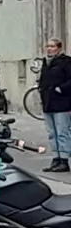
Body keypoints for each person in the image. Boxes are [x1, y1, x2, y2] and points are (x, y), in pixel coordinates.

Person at [39, 38, 71, 172]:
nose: (49, 49)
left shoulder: (66, 62)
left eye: (52, 46)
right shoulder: (45, 62)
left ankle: (64, 160)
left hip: (61, 103)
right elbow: (43, 80)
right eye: (48, 46)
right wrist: (41, 91)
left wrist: (61, 89)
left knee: (62, 132)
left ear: (59, 48)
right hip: (48, 102)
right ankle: (55, 158)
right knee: (52, 133)